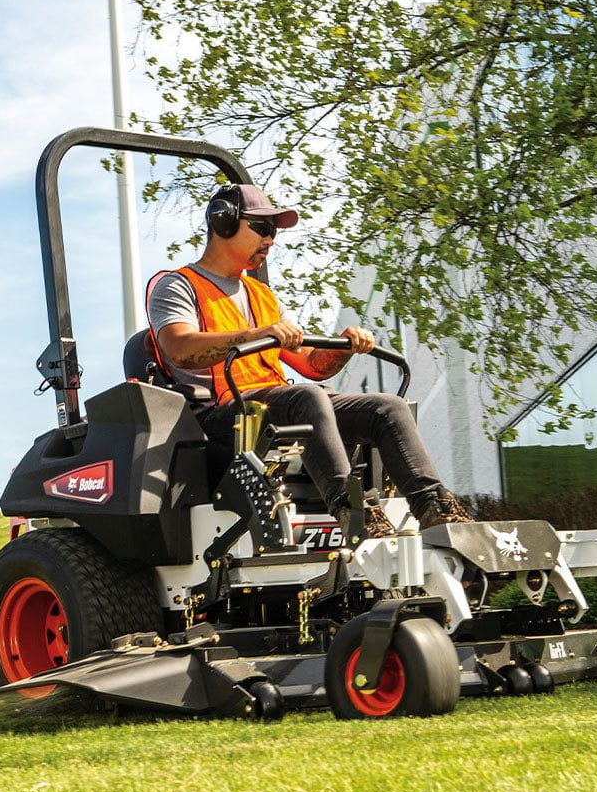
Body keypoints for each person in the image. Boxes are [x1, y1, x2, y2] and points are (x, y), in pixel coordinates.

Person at [146, 183, 474, 538]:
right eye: (262, 228)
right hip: (220, 415)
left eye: (273, 232)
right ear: (223, 222)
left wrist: (343, 347)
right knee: (307, 397)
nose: (270, 240)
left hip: (274, 406)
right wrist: (255, 335)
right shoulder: (178, 286)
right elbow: (179, 348)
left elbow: (312, 366)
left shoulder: (262, 296)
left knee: (387, 408)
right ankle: (355, 515)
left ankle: (437, 511)